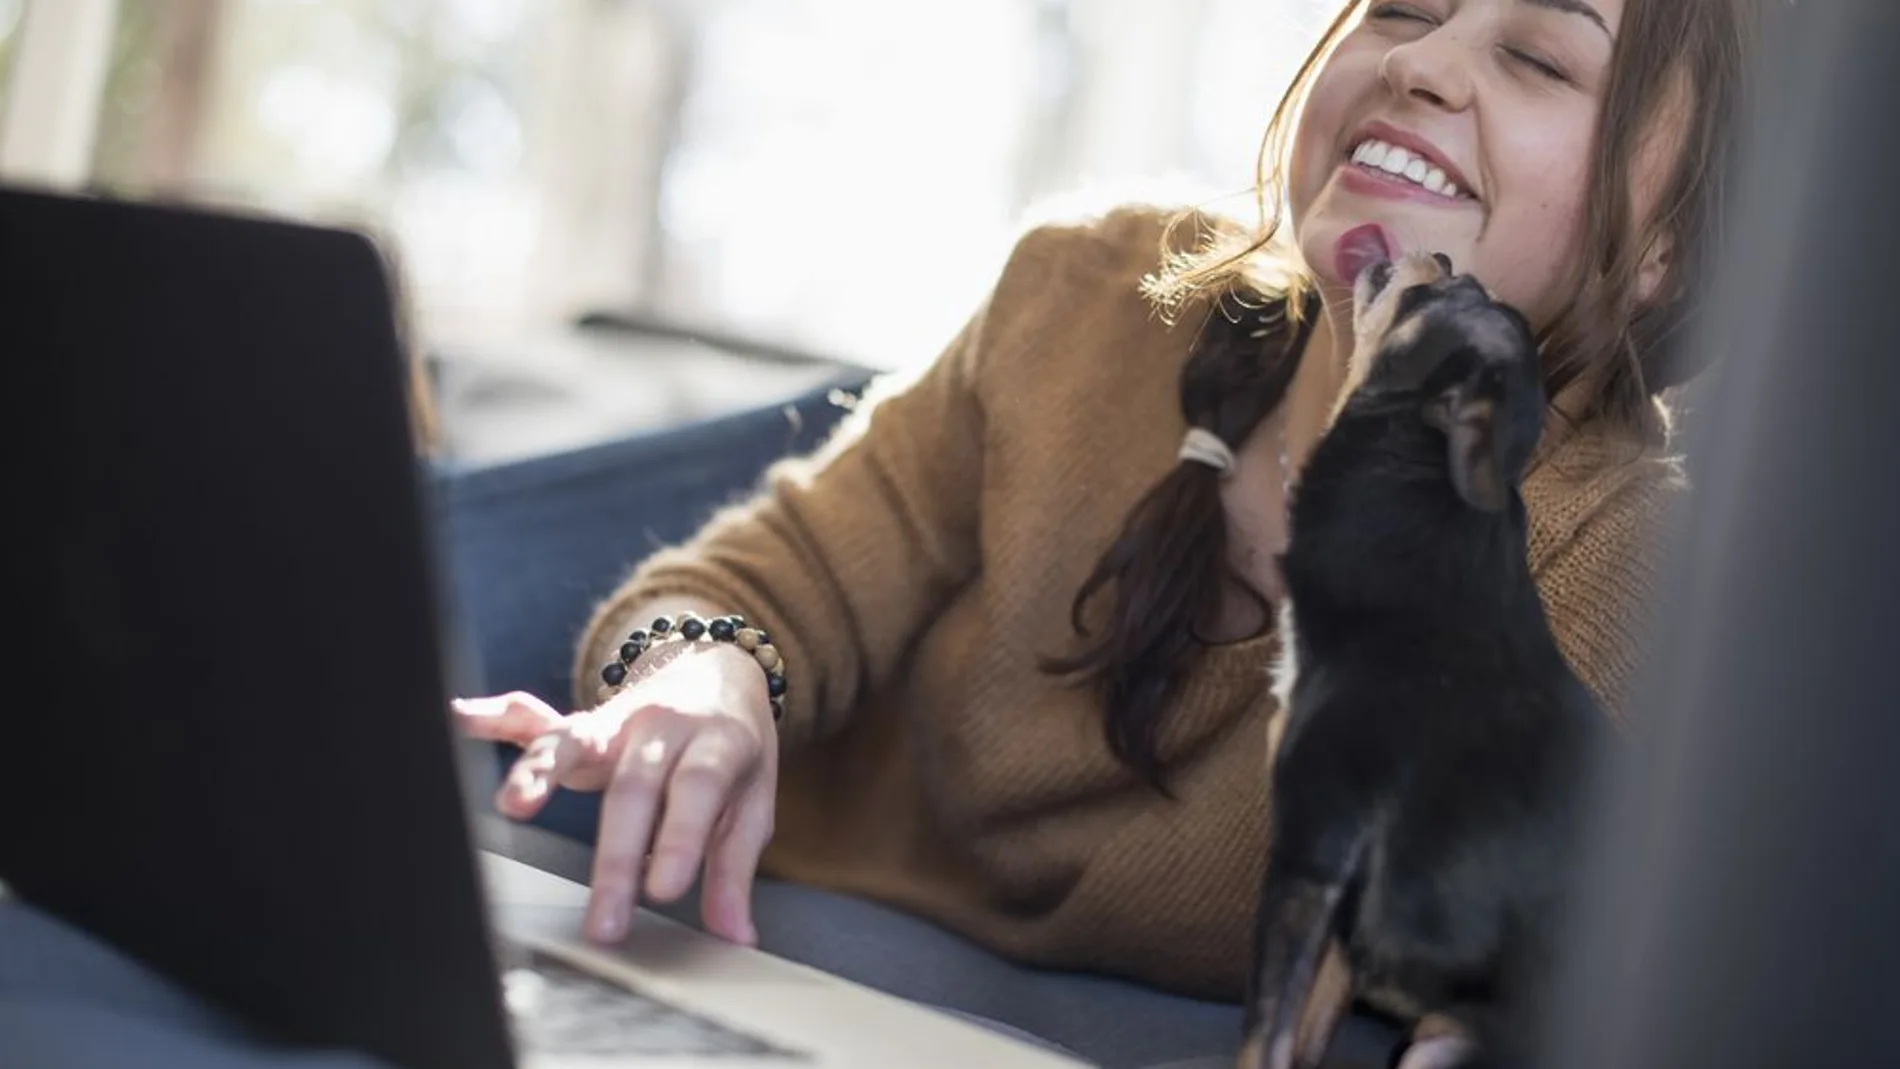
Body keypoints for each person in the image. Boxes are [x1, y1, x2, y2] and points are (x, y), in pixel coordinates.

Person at [455, 1, 1764, 1066]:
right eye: (1400, 8)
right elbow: (759, 585)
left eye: (1538, 55)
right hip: (766, 948)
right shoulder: (1085, 294)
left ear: (1670, 246)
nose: (1417, 60)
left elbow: (1541, 962)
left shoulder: (1634, 571)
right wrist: (710, 677)